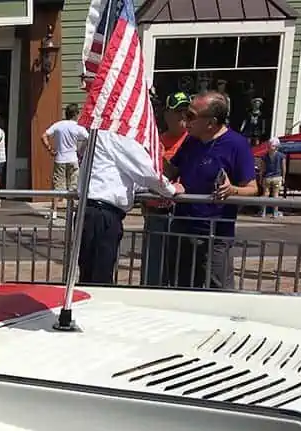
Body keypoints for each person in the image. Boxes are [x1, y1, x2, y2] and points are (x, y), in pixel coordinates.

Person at [163, 91, 259, 290]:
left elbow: (252, 189)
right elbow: (171, 171)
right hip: (183, 228)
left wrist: (232, 190)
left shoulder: (237, 145)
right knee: (181, 288)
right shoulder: (191, 142)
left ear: (211, 122)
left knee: (218, 289)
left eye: (190, 116)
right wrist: (150, 151)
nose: (184, 120)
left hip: (215, 234)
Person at [77, 129, 183, 286]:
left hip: (91, 212)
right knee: (100, 277)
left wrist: (151, 188)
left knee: (90, 274)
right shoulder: (119, 138)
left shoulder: (100, 137)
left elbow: (125, 177)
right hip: (102, 213)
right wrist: (172, 190)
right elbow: (147, 173)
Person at [140, 92, 191, 285]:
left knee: (179, 268)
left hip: (181, 213)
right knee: (153, 268)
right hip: (156, 212)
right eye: (177, 112)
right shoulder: (156, 141)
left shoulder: (191, 141)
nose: (182, 117)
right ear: (167, 114)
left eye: (186, 112)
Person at [41, 104, 88, 221]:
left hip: (60, 159)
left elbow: (44, 135)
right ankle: (70, 211)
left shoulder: (59, 125)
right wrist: (82, 150)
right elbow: (89, 138)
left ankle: (54, 211)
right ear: (76, 114)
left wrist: (50, 149)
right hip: (73, 159)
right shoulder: (78, 127)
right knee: (72, 186)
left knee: (57, 187)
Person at [260, 137, 285, 218]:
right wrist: (283, 177)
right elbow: (283, 168)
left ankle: (263, 212)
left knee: (265, 194)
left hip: (267, 177)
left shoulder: (264, 156)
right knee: (276, 195)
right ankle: (275, 213)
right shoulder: (281, 156)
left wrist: (261, 178)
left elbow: (262, 169)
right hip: (277, 177)